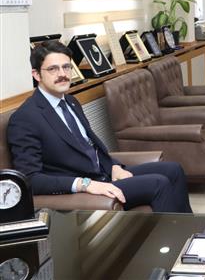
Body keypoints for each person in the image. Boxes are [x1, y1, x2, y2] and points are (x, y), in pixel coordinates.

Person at [7, 41, 192, 213]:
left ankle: (192, 233)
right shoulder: (25, 118)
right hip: (84, 188)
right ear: (36, 74)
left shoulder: (70, 101)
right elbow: (31, 179)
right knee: (158, 183)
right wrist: (85, 184)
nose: (62, 74)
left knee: (173, 170)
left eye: (66, 67)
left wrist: (114, 167)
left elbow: (91, 147)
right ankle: (173, 236)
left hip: (104, 174)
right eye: (53, 69)